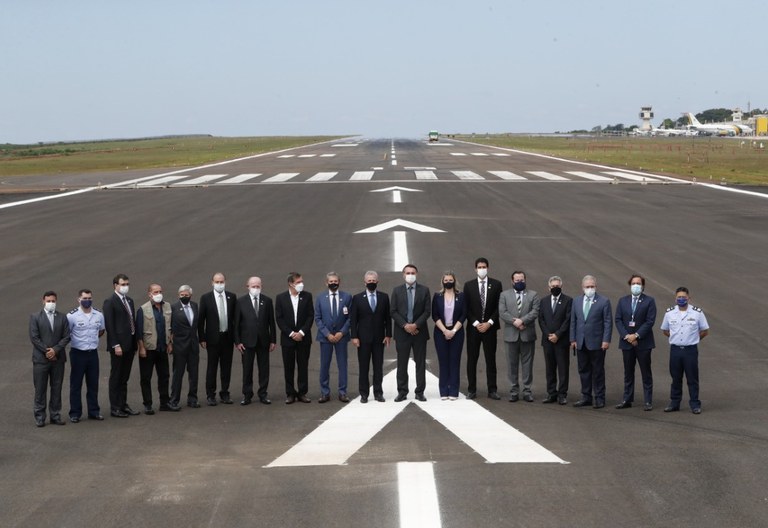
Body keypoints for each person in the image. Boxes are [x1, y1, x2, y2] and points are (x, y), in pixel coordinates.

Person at [660, 287, 709, 414]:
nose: (681, 299)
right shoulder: (669, 313)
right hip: (675, 350)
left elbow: (704, 331)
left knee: (692, 378)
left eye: (684, 297)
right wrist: (675, 338)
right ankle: (674, 403)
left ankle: (695, 404)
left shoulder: (697, 313)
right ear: (675, 298)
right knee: (676, 378)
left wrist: (693, 339)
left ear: (689, 298)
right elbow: (665, 330)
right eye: (679, 297)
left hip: (690, 350)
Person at [462, 257, 503, 400]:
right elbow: (465, 308)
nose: (481, 269)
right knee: (472, 359)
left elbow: (499, 306)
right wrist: (475, 323)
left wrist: (489, 322)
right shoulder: (469, 285)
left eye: (484, 266)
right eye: (479, 267)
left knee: (490, 359)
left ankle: (492, 389)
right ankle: (471, 389)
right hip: (474, 329)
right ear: (475, 269)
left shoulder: (496, 284)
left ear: (488, 268)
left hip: (490, 329)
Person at [615, 274, 657, 411]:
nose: (636, 285)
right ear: (630, 285)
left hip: (643, 343)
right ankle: (627, 399)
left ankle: (648, 401)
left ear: (643, 286)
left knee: (646, 372)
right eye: (633, 283)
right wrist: (627, 336)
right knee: (628, 372)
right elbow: (618, 320)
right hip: (627, 342)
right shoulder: (623, 301)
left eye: (638, 283)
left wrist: (637, 336)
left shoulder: (649, 301)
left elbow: (650, 321)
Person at [570, 275, 612, 409]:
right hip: (581, 342)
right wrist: (573, 339)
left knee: (598, 371)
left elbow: (607, 322)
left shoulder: (604, 301)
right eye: (587, 287)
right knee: (583, 370)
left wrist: (606, 340)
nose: (590, 289)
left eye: (592, 286)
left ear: (596, 287)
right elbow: (573, 321)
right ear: (582, 288)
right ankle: (586, 396)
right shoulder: (576, 301)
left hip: (597, 342)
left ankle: (599, 397)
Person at [390, 264, 431, 402]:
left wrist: (415, 325)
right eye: (407, 272)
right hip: (402, 332)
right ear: (403, 275)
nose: (410, 275)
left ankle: (420, 392)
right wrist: (405, 325)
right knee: (402, 363)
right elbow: (393, 311)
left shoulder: (424, 290)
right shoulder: (396, 291)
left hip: (419, 332)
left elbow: (427, 311)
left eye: (413, 272)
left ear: (417, 274)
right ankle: (402, 391)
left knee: (420, 363)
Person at [29, 291, 70, 427]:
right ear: (43, 301)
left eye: (53, 301)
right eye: (48, 301)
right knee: (40, 389)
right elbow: (34, 337)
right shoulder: (35, 317)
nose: (51, 303)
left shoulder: (62, 317)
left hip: (58, 359)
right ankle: (40, 416)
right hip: (41, 359)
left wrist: (55, 350)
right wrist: (47, 351)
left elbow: (66, 336)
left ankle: (55, 415)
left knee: (56, 388)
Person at [349, 271, 391, 403]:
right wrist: (354, 336)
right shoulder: (357, 298)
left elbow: (387, 318)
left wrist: (388, 334)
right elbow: (353, 319)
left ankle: (378, 393)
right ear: (364, 282)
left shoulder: (384, 297)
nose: (371, 282)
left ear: (377, 281)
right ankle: (364, 394)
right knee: (364, 367)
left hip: (379, 339)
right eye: (369, 280)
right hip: (363, 339)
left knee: (378, 367)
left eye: (373, 280)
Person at [234, 276, 276, 405]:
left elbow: (271, 322)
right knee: (247, 369)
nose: (256, 288)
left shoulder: (267, 301)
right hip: (247, 342)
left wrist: (273, 340)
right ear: (248, 287)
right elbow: (236, 324)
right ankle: (247, 395)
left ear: (261, 286)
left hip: (263, 341)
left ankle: (263, 394)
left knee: (264, 369)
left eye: (258, 286)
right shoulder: (241, 302)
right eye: (253, 286)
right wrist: (237, 341)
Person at [500, 271, 540, 402]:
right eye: (517, 280)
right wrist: (514, 321)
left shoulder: (533, 295)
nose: (519, 282)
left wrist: (522, 321)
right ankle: (513, 391)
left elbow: (535, 311)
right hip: (511, 335)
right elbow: (502, 312)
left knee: (527, 364)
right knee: (512, 365)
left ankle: (527, 391)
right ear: (512, 281)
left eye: (521, 280)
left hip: (527, 334)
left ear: (525, 280)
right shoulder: (504, 295)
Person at [102, 274, 139, 418]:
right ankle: (115, 407)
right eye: (123, 284)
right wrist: (115, 344)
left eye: (127, 284)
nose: (125, 287)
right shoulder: (110, 302)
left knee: (125, 377)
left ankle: (124, 405)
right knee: (116, 377)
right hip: (118, 346)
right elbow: (110, 325)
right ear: (115, 285)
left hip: (129, 345)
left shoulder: (129, 300)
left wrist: (135, 343)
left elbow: (132, 322)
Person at [198, 272, 237, 405]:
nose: (219, 284)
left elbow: (235, 320)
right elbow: (201, 320)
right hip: (212, 338)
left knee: (226, 367)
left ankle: (225, 393)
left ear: (225, 282)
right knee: (212, 367)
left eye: (221, 282)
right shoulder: (206, 298)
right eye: (217, 282)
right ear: (212, 283)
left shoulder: (232, 297)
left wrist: (237, 339)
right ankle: (211, 394)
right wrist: (202, 338)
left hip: (227, 337)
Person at [275, 272, 314, 404]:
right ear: (291, 284)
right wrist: (291, 333)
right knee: (289, 366)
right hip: (288, 339)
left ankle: (302, 392)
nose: (301, 284)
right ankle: (290, 393)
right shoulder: (281, 298)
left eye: (301, 281)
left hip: (304, 338)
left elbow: (310, 316)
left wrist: (301, 332)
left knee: (303, 365)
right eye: (298, 282)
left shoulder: (307, 296)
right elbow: (279, 319)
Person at [67, 289, 105, 422]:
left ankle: (94, 411)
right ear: (79, 299)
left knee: (93, 384)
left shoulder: (98, 314)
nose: (87, 300)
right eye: (84, 298)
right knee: (76, 384)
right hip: (78, 353)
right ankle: (75, 413)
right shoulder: (72, 316)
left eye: (89, 298)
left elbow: (101, 331)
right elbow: (67, 333)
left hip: (93, 353)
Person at [136, 283, 174, 414]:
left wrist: (170, 343)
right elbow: (139, 331)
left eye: (160, 291)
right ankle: (148, 404)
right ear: (150, 294)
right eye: (155, 292)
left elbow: (170, 327)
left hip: (162, 348)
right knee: (146, 377)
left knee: (164, 376)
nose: (158, 294)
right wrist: (141, 348)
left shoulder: (167, 306)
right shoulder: (143, 309)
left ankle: (164, 403)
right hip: (148, 349)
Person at [315, 272, 352, 403]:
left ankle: (343, 392)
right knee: (324, 365)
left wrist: (341, 332)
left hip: (341, 337)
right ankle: (325, 393)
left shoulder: (347, 297)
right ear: (326, 283)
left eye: (335, 281)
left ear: (339, 282)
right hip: (326, 338)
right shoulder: (320, 298)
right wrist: (327, 334)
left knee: (343, 365)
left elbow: (350, 318)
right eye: (331, 281)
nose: (333, 283)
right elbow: (318, 318)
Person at [537, 276, 572, 405]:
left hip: (561, 341)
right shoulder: (544, 301)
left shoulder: (568, 300)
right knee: (550, 368)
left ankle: (562, 394)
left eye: (557, 286)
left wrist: (557, 335)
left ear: (561, 287)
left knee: (563, 368)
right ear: (549, 287)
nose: (555, 288)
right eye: (553, 286)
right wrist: (548, 335)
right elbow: (541, 320)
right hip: (548, 341)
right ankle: (551, 393)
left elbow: (568, 320)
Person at [432, 272, 466, 400]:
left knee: (454, 361)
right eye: (446, 280)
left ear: (454, 281)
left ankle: (453, 391)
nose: (448, 282)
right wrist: (445, 331)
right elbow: (434, 315)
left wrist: (453, 331)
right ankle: (443, 391)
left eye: (450, 279)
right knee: (443, 361)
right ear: (442, 282)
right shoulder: (437, 296)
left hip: (457, 332)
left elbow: (463, 314)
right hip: (441, 332)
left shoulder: (461, 296)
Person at [169, 285, 200, 409]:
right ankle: (174, 400)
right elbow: (169, 327)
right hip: (179, 346)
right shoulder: (173, 308)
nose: (184, 297)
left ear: (190, 295)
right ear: (178, 295)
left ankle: (192, 399)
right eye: (182, 295)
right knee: (178, 374)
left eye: (186, 295)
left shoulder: (195, 306)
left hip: (193, 346)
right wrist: (170, 343)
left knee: (194, 374)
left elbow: (197, 325)